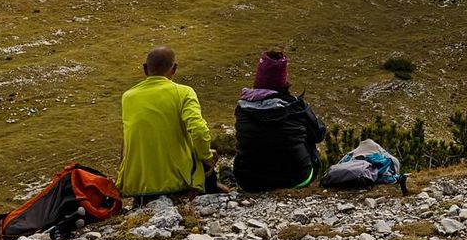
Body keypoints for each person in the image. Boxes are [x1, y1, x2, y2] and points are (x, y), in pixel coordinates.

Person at [119, 46, 215, 201]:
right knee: (205, 156)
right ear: (174, 69)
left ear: (145, 69)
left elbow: (125, 143)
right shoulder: (184, 92)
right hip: (176, 184)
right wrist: (207, 156)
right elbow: (198, 130)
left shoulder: (127, 97)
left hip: (137, 188)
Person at [233, 51, 327, 192]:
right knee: (309, 138)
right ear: (283, 80)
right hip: (297, 178)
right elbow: (319, 134)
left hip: (249, 182)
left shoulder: (242, 109)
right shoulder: (296, 107)